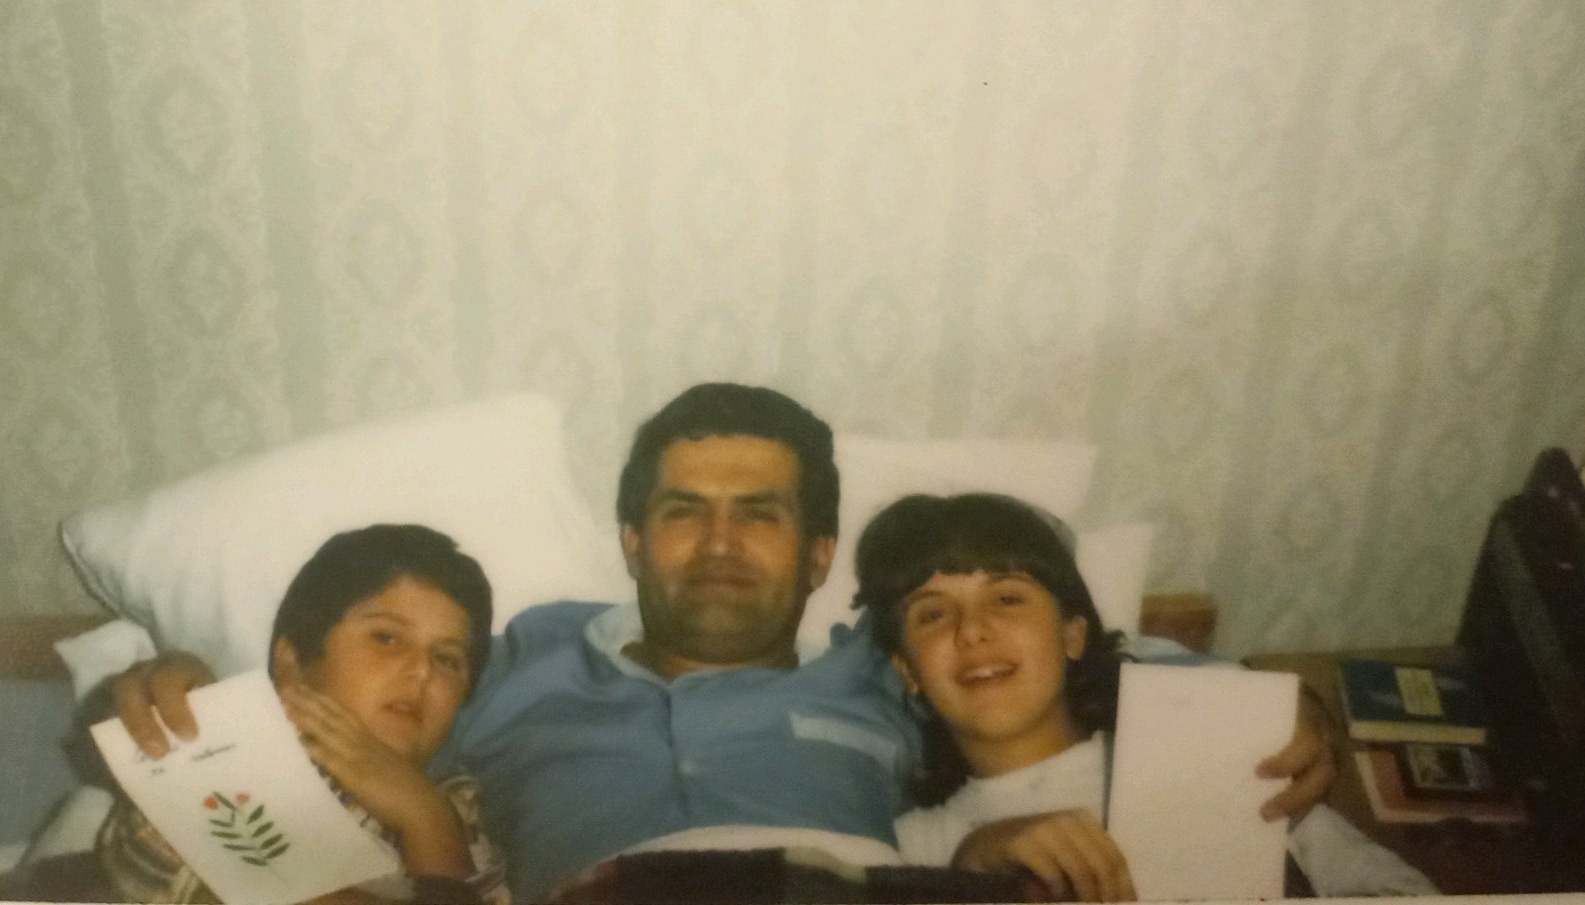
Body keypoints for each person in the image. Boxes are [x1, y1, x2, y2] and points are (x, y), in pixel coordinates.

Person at [110, 384, 1338, 903]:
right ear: (631, 540)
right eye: (683, 510)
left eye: (759, 512)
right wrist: (185, 683)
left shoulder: (887, 661)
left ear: (815, 551)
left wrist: (1287, 708)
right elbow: (355, 710)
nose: (718, 542)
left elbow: (1083, 663)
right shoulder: (515, 655)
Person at [853, 492, 1437, 901]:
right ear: (908, 670)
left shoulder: (1204, 758)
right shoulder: (919, 846)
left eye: (1007, 598)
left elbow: (1401, 891)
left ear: (1073, 635)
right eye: (933, 614)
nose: (972, 631)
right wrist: (968, 877)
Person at [97, 524, 506, 905]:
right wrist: (206, 730)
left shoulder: (461, 814)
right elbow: (146, 859)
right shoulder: (237, 760)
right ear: (292, 664)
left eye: (447, 659)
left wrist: (428, 820)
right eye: (386, 637)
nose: (422, 671)